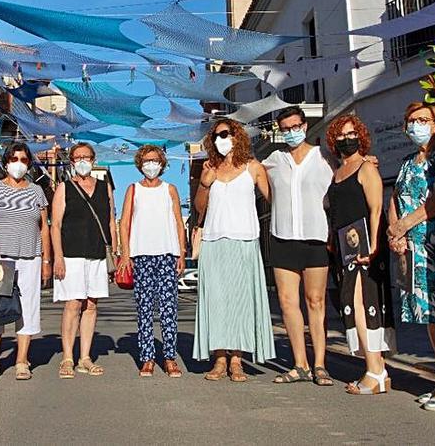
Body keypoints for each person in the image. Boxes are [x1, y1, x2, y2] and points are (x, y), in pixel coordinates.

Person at [387, 102, 435, 410]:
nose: (416, 125)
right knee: (429, 316)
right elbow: (396, 196)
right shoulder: (408, 162)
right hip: (415, 247)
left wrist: (405, 224)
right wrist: (395, 231)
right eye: (411, 121)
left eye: (423, 120)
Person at [192, 118, 274, 381]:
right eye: (215, 136)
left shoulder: (253, 168)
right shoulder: (210, 168)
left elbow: (275, 198)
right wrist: (205, 184)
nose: (220, 140)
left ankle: (237, 359)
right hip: (214, 242)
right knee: (216, 302)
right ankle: (218, 359)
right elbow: (199, 209)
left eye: (225, 134)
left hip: (244, 240)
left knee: (240, 302)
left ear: (237, 136)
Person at [262, 107, 335, 386]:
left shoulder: (323, 157)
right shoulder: (274, 160)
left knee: (315, 301)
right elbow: (258, 179)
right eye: (286, 128)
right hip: (283, 238)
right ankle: (299, 364)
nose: (291, 132)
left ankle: (320, 364)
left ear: (304, 125)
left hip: (315, 237)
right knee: (288, 302)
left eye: (295, 126)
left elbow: (346, 178)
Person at [326, 114, 395, 395]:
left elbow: (376, 209)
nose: (346, 139)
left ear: (361, 135)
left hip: (366, 250)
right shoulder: (337, 171)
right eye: (341, 135)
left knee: (365, 307)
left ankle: (375, 370)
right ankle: (376, 369)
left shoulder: (367, 168)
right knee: (351, 309)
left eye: (351, 133)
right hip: (344, 250)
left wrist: (373, 246)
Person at [0, 142, 51, 381]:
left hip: (30, 257)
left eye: (24, 160)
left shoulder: (37, 191)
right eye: (14, 159)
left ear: (29, 164)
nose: (19, 164)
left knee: (27, 308)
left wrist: (46, 259)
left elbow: (44, 228)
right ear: (6, 162)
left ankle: (21, 360)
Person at [118, 145, 186, 378]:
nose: (151, 165)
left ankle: (169, 358)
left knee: (169, 309)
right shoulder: (133, 189)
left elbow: (179, 222)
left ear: (162, 164)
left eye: (155, 160)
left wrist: (182, 253)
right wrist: (125, 254)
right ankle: (147, 358)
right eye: (146, 161)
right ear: (139, 164)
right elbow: (124, 223)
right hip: (141, 255)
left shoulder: (170, 189)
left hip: (167, 254)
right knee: (144, 308)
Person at [51, 143, 115, 379]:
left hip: (97, 253)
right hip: (71, 254)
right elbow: (55, 225)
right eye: (77, 158)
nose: (82, 161)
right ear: (71, 162)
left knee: (91, 305)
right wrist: (58, 256)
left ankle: (85, 357)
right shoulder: (64, 188)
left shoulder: (103, 187)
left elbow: (110, 220)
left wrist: (114, 253)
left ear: (93, 159)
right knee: (73, 304)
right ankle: (67, 357)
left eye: (86, 157)